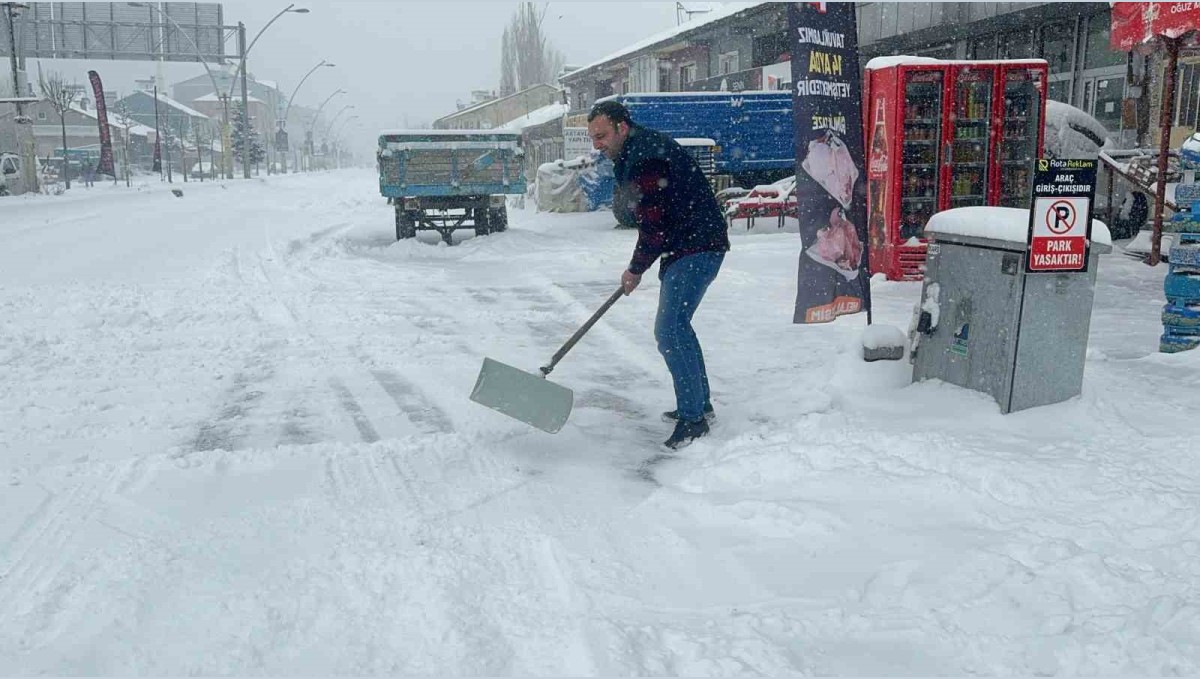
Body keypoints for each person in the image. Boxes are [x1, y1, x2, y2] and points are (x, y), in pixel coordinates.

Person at [587, 100, 730, 450]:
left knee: (670, 329)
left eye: (602, 135)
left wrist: (636, 268)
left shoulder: (645, 156)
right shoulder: (636, 150)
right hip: (689, 244)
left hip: (696, 245)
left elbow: (654, 222)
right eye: (593, 138)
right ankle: (700, 405)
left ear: (622, 127)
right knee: (678, 326)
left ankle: (694, 419)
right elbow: (653, 220)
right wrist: (642, 263)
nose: (597, 144)